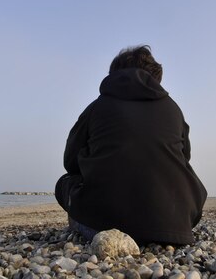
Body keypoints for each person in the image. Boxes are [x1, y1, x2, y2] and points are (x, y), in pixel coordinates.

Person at [55, 45, 207, 245]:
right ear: (156, 78)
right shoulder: (174, 110)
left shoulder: (97, 107)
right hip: (174, 225)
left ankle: (94, 219)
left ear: (114, 74)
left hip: (102, 223)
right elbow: (183, 157)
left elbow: (70, 162)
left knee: (63, 183)